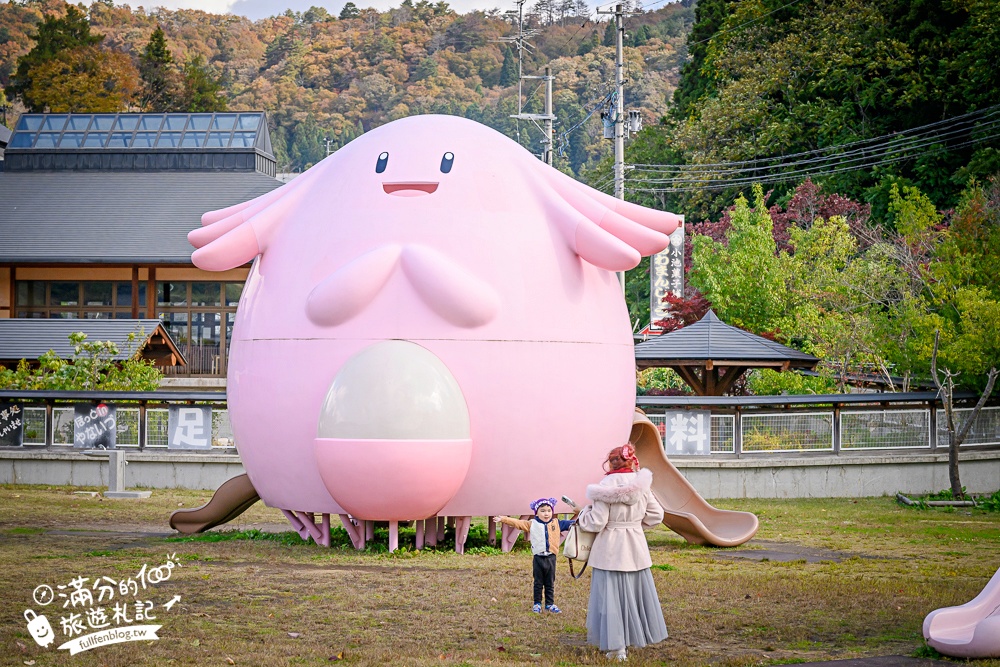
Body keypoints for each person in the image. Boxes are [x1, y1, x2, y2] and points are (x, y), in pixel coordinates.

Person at [576, 444, 667, 661]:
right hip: (635, 546)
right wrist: (634, 526)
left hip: (609, 548)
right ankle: (633, 638)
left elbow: (597, 522)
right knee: (634, 595)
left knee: (610, 597)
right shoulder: (642, 484)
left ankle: (616, 649)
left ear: (611, 462)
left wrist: (582, 516)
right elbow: (656, 515)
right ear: (631, 460)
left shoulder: (604, 487)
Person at [494, 498, 576, 613]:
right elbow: (518, 523)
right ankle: (537, 603)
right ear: (536, 512)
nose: (546, 513)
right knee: (538, 582)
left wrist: (586, 517)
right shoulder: (532, 524)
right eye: (542, 511)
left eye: (548, 510)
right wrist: (503, 519)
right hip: (538, 558)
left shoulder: (557, 523)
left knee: (550, 582)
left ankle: (549, 604)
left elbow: (574, 523)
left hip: (551, 558)